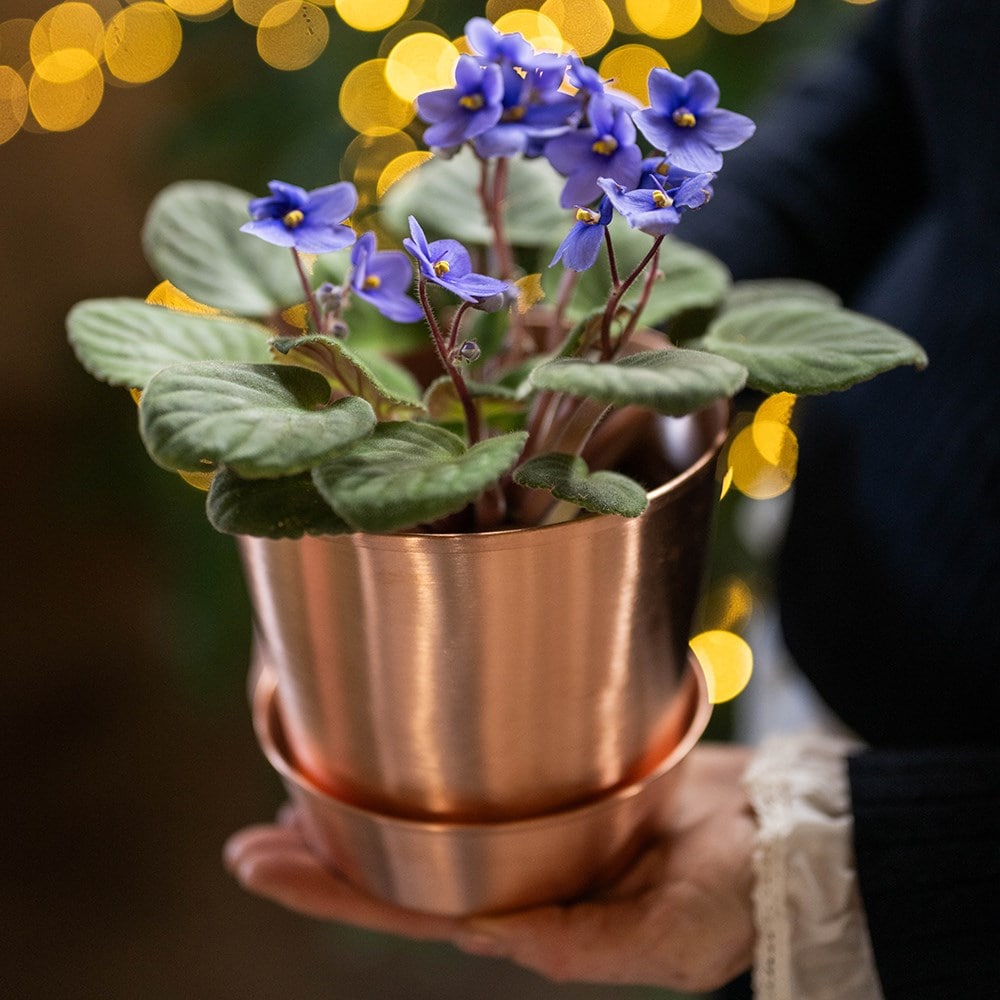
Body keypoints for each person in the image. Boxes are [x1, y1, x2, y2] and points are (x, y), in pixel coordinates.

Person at [224, 2, 1000, 996]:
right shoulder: (582, 197)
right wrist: (636, 325)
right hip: (832, 616)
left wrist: (862, 863)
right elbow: (904, 75)